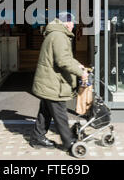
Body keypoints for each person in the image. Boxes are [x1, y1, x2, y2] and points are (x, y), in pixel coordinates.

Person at [29, 11, 89, 152]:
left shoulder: (56, 34)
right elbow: (63, 61)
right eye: (72, 22)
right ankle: (69, 143)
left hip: (48, 81)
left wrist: (77, 64)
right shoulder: (59, 36)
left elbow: (65, 57)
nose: (74, 25)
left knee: (45, 112)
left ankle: (37, 138)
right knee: (60, 114)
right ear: (67, 23)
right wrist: (81, 73)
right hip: (53, 83)